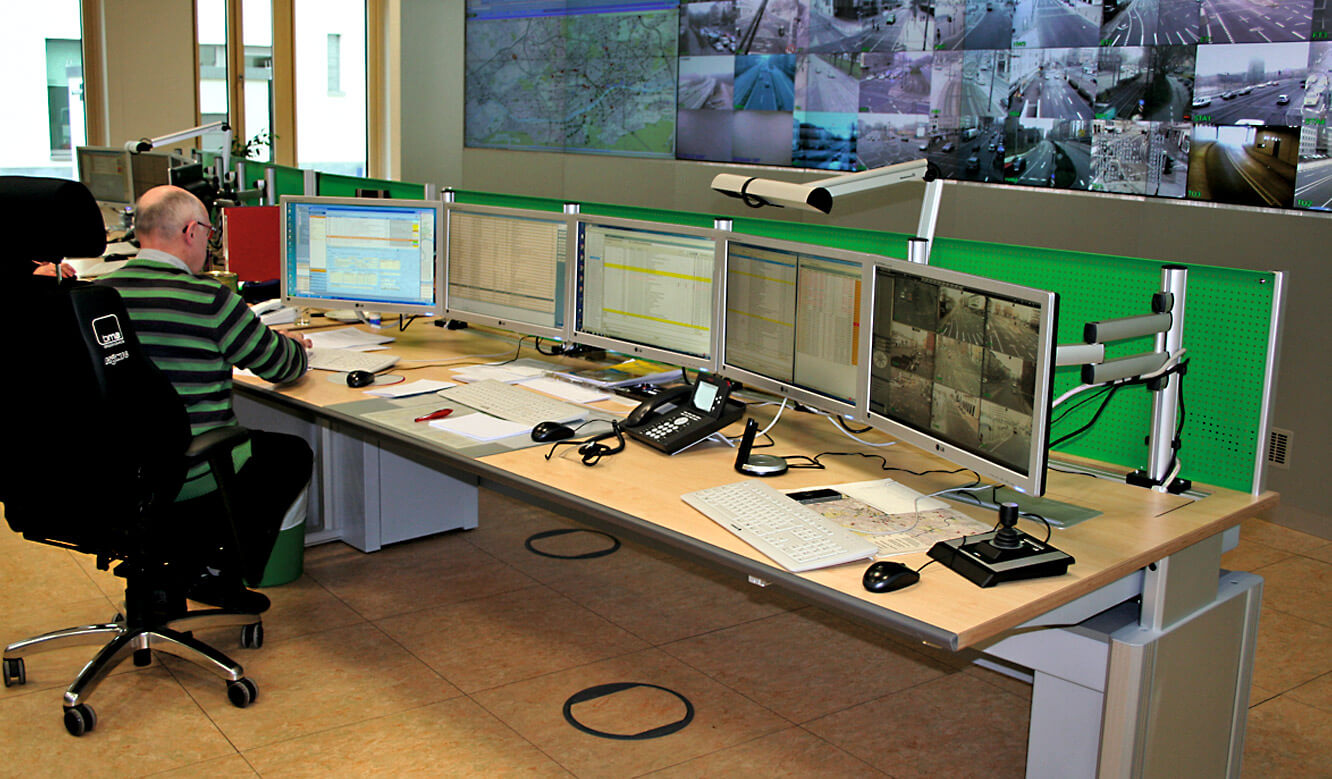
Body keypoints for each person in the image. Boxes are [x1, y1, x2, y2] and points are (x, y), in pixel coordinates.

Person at [98, 185, 312, 612]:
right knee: (289, 454)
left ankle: (189, 559)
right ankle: (213, 569)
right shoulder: (208, 299)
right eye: (210, 234)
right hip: (182, 473)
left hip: (102, 472)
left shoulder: (96, 297)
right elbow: (281, 367)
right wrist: (293, 345)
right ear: (192, 232)